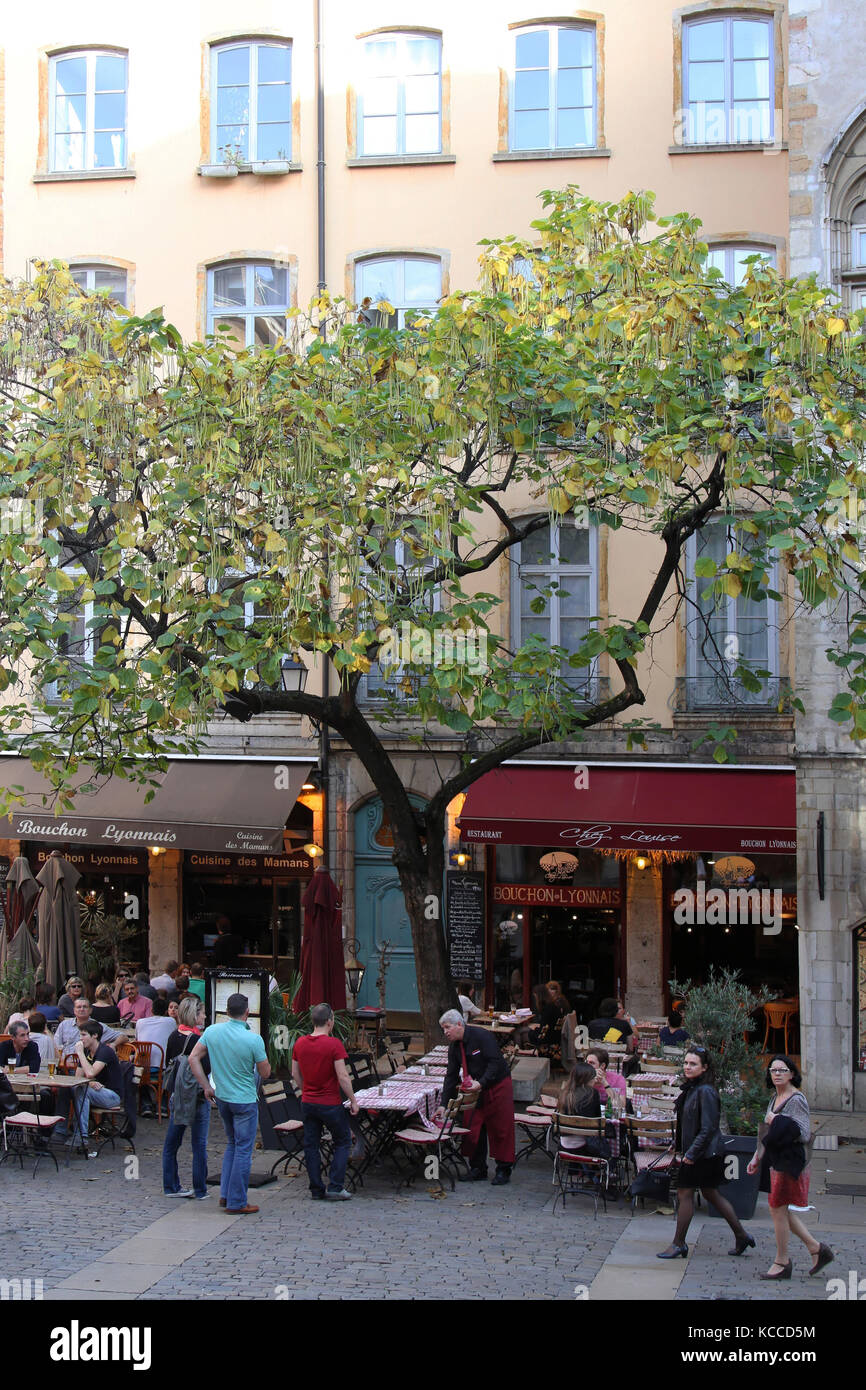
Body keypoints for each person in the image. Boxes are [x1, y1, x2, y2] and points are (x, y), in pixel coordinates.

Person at [657, 1046, 754, 1260]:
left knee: (685, 1194)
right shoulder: (693, 1088)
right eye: (686, 1063)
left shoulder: (706, 1091)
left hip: (703, 1154)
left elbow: (708, 1127)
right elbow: (689, 1123)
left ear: (705, 1067)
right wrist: (679, 1144)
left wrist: (691, 1154)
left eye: (693, 1064)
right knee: (711, 1193)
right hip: (700, 1151)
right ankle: (741, 1235)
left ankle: (679, 1243)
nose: (688, 1067)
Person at [747, 1055, 834, 1280]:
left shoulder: (796, 1099)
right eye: (773, 1070)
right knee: (779, 1209)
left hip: (789, 1161)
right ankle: (816, 1249)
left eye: (782, 1070)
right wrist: (756, 1157)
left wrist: (775, 1120)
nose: (776, 1074)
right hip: (777, 1160)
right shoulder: (775, 1097)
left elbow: (803, 1132)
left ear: (792, 1074)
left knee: (777, 1208)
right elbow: (768, 1134)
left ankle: (782, 1261)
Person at [189, 991, 270, 1215]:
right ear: (247, 1013)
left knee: (232, 1144)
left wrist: (206, 1085)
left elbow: (193, 1058)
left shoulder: (213, 1031)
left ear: (226, 1012)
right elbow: (265, 1071)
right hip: (244, 1099)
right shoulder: (253, 1039)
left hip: (222, 1097)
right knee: (243, 1149)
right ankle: (236, 1200)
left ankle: (226, 1194)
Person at [438, 1008, 515, 1185]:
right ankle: (477, 1167)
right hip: (475, 1089)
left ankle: (503, 1169)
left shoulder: (482, 1037)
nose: (445, 1032)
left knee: (501, 1128)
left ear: (459, 1024)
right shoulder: (455, 1047)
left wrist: (481, 1083)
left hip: (497, 1085)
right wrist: (443, 1104)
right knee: (473, 1126)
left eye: (447, 1027)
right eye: (443, 1028)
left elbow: (495, 1063)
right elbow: (450, 1076)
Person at [292, 1002, 359, 1201]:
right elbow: (342, 1076)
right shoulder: (334, 1045)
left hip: (308, 1101)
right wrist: (353, 1100)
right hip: (329, 1102)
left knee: (311, 1144)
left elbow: (295, 1072)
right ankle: (336, 1185)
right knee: (343, 1140)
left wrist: (305, 1090)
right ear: (330, 1022)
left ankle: (316, 1188)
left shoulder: (300, 1043)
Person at [162, 996, 210, 1199]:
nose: (205, 1016)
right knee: (199, 1145)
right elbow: (206, 1068)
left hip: (178, 1095)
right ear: (195, 1015)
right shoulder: (200, 1040)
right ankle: (200, 1189)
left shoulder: (174, 1036)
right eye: (202, 1013)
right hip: (197, 1096)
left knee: (172, 1143)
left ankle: (171, 1186)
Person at [65, 1021, 125, 1149]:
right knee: (73, 1090)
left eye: (84, 1035)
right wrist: (90, 1082)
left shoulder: (105, 1051)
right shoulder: (87, 1053)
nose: (80, 1039)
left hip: (113, 1096)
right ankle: (69, 1131)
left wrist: (79, 1053)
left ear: (95, 1036)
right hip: (96, 1092)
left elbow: (91, 1072)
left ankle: (81, 1136)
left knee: (82, 1091)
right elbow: (78, 1078)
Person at [556, 1061, 602, 1150]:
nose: (594, 1080)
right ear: (587, 1078)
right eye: (593, 1077)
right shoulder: (593, 1093)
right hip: (585, 1145)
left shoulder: (565, 1092)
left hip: (564, 1144)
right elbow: (597, 1120)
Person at [55, 998, 120, 1060]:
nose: (82, 1009)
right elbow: (55, 1045)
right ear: (74, 1010)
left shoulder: (97, 1026)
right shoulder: (64, 1025)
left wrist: (114, 1044)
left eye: (85, 1007)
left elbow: (123, 1036)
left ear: (90, 1010)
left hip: (89, 1065)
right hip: (65, 1065)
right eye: (79, 1007)